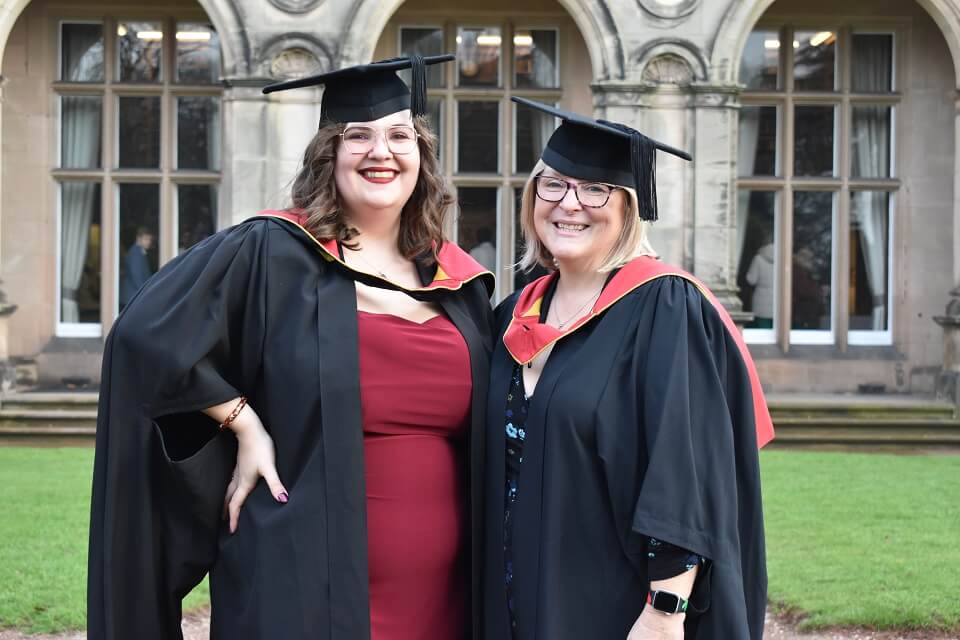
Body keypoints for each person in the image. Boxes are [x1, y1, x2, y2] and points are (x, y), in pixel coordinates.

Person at [88, 55, 495, 640]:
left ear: (422, 157)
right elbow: (143, 336)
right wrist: (241, 420)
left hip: (446, 597)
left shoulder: (460, 283)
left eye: (400, 135)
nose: (381, 151)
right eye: (359, 135)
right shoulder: (272, 252)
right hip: (301, 585)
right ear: (329, 153)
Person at [482, 98, 775, 640]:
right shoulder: (514, 312)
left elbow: (684, 468)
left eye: (595, 189)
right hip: (513, 593)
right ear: (532, 198)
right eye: (554, 184)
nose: (570, 204)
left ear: (629, 208)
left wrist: (665, 609)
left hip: (616, 602)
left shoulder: (662, 306)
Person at [118, 226, 154, 308]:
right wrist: (144, 292)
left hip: (132, 296)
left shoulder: (139, 252)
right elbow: (136, 276)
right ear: (138, 239)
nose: (149, 242)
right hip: (132, 296)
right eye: (146, 239)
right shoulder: (136, 254)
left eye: (150, 239)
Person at [745, 229, 775, 328]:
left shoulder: (758, 258)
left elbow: (751, 280)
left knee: (762, 331)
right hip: (777, 298)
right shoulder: (782, 258)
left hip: (761, 298)